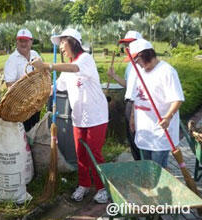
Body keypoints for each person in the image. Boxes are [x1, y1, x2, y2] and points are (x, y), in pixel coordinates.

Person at [31, 28, 109, 203]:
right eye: (59, 46)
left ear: (73, 42)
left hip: (97, 116)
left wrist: (47, 65)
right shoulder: (65, 71)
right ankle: (84, 184)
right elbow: (55, 88)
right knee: (80, 153)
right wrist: (39, 92)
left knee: (94, 153)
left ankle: (103, 187)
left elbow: (74, 68)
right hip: (79, 118)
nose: (60, 49)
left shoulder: (85, 60)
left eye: (62, 43)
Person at [127, 39, 184, 168]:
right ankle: (150, 187)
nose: (136, 64)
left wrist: (168, 117)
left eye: (137, 60)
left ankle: (159, 187)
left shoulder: (166, 71)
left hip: (160, 130)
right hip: (144, 129)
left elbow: (177, 98)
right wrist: (132, 117)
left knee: (158, 168)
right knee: (147, 166)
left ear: (145, 55)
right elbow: (137, 96)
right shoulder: (140, 72)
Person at [107, 30, 143, 160]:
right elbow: (127, 84)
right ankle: (138, 163)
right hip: (129, 102)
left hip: (140, 103)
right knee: (131, 136)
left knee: (140, 136)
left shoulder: (144, 64)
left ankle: (146, 163)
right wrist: (114, 76)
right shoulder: (130, 65)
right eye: (126, 45)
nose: (128, 47)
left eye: (130, 43)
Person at [4, 29, 41, 132]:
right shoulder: (12, 60)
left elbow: (41, 74)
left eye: (26, 41)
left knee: (35, 132)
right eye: (21, 41)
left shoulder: (35, 55)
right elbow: (10, 85)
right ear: (17, 42)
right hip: (21, 107)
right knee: (23, 134)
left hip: (35, 103)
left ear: (31, 41)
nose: (23, 44)